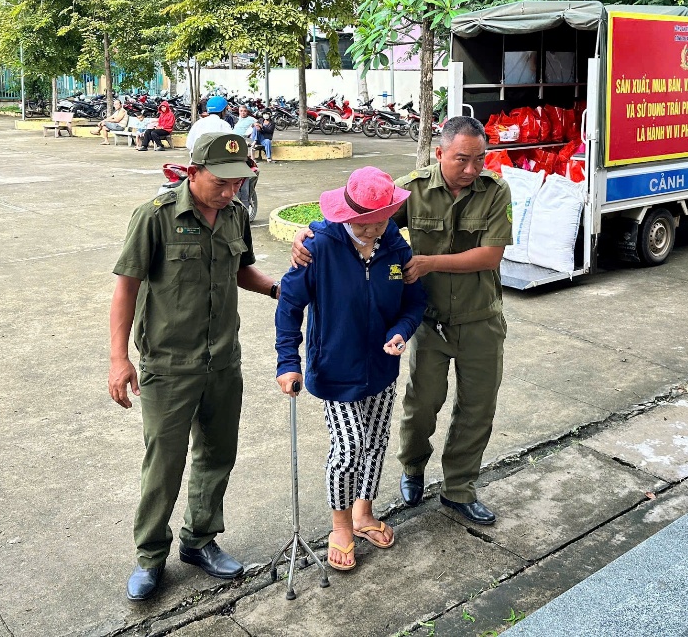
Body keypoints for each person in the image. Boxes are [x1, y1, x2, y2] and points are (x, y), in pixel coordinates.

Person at [291, 116, 511, 525]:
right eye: (462, 159)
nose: (471, 168)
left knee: (477, 408)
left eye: (479, 159)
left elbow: (490, 255)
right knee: (422, 405)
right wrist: (311, 232)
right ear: (439, 153)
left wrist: (427, 263)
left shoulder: (495, 192)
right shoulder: (412, 189)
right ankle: (413, 470)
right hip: (428, 321)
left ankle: (459, 488)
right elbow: (368, 220)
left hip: (481, 319)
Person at [109, 132, 281, 601]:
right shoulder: (156, 217)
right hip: (168, 364)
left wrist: (274, 290)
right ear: (193, 172)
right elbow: (126, 288)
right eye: (221, 182)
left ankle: (200, 541)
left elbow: (241, 269)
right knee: (163, 465)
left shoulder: (236, 217)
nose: (230, 192)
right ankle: (149, 557)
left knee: (217, 454)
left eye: (238, 183)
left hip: (224, 360)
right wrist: (119, 358)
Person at [275, 167, 426, 572]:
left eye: (383, 219)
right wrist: (287, 361)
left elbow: (414, 302)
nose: (375, 228)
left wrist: (400, 331)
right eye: (366, 221)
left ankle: (363, 513)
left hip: (381, 367)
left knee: (375, 443)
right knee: (348, 449)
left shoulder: (395, 246)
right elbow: (289, 305)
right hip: (334, 369)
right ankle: (339, 525)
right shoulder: (318, 245)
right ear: (346, 214)